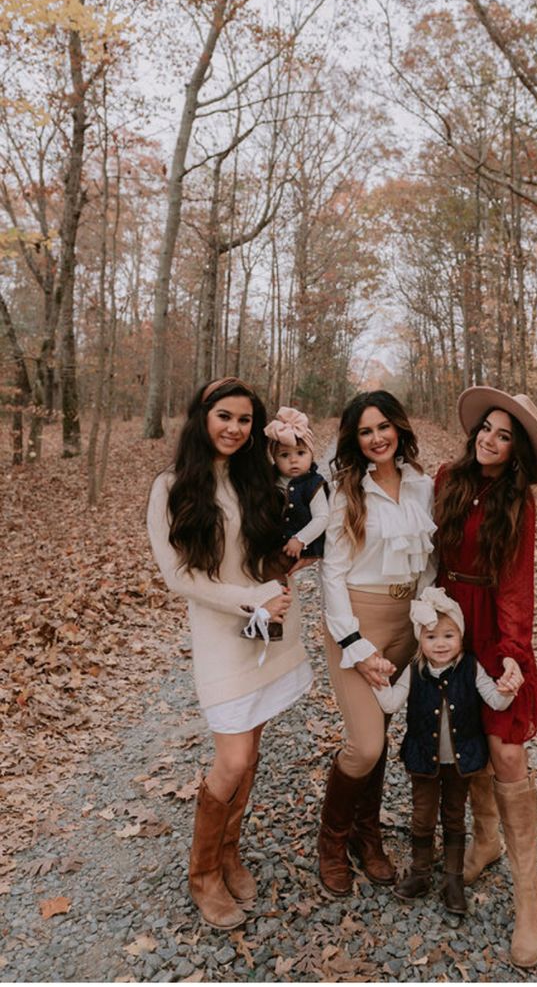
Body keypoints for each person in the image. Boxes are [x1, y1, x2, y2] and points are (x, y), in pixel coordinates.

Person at [147, 377, 313, 930]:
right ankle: (202, 875)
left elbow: (269, 546)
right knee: (233, 758)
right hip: (223, 633)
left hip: (269, 629)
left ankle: (229, 850)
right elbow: (180, 577)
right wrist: (249, 599)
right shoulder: (171, 487)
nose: (235, 429)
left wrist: (287, 568)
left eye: (245, 420)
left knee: (254, 747)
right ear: (201, 417)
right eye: (225, 416)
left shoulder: (256, 479)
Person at [434, 386, 537, 967]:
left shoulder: (518, 504)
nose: (491, 439)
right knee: (465, 737)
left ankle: (529, 898)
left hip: (492, 628)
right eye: (488, 427)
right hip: (447, 623)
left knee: (507, 750)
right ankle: (484, 838)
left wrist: (512, 652)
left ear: (516, 451)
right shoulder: (445, 479)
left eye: (505, 436)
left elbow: (515, 583)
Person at [317, 389, 437, 896]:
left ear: (399, 428)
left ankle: (368, 836)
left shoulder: (423, 488)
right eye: (365, 431)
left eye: (383, 427)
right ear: (355, 439)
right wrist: (357, 646)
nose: (376, 438)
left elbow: (429, 560)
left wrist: (429, 616)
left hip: (407, 622)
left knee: (382, 735)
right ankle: (331, 840)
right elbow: (331, 574)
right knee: (364, 745)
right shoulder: (347, 492)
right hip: (357, 621)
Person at [372, 587, 513, 917]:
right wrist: (378, 681)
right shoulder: (415, 671)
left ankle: (453, 879)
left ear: (461, 636)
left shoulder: (471, 669)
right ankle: (421, 873)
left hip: (460, 763)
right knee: (422, 816)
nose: (441, 643)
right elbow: (392, 702)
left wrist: (507, 691)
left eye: (449, 635)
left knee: (453, 815)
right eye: (432, 636)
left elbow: (495, 700)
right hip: (423, 760)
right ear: (420, 639)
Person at [264, 406, 329, 560]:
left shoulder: (313, 483)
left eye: (300, 453)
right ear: (275, 458)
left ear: (311, 454)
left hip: (300, 546)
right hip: (271, 546)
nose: (293, 460)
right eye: (284, 455)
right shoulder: (269, 480)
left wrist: (300, 539)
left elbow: (322, 517)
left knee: (280, 575)